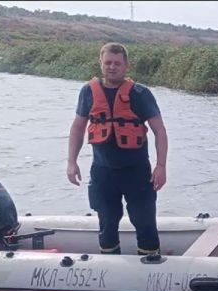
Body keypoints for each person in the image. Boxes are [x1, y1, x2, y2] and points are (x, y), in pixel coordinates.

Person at [67, 42, 168, 255]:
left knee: (145, 222)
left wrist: (161, 166)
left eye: (117, 63)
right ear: (101, 63)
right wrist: (71, 162)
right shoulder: (88, 92)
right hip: (103, 172)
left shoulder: (140, 94)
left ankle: (150, 266)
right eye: (108, 63)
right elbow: (78, 127)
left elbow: (160, 130)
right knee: (107, 223)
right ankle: (110, 267)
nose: (112, 67)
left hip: (137, 172)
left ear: (126, 66)